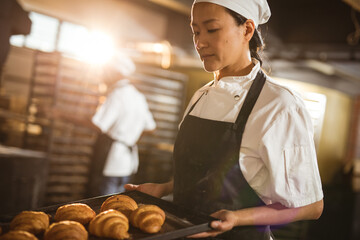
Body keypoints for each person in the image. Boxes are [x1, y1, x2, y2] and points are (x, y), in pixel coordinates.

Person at [125, 0, 324, 239]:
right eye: (196, 31)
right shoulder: (202, 95)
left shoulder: (279, 105)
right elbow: (206, 175)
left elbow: (311, 206)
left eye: (212, 29)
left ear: (247, 30)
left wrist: (238, 218)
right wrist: (164, 188)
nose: (199, 42)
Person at [86, 52, 156, 197]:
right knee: (121, 203)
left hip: (112, 161)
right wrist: (130, 136)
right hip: (128, 163)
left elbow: (99, 125)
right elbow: (151, 127)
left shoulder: (117, 94)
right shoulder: (139, 97)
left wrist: (62, 115)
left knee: (104, 204)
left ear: (115, 72)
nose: (105, 74)